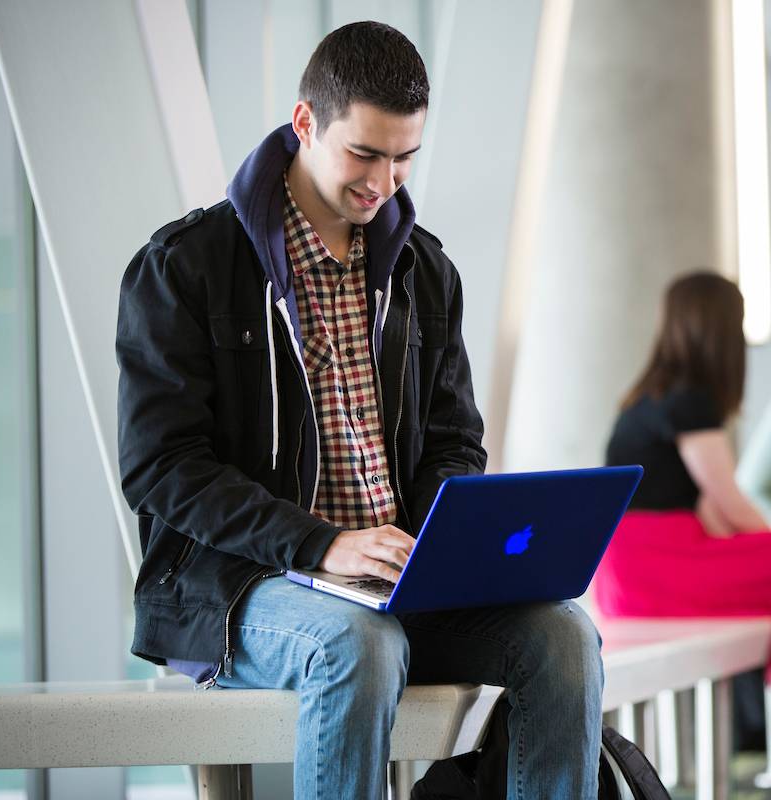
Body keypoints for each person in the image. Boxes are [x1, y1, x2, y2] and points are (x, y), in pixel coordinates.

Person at [117, 21, 603, 798]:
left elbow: (454, 440)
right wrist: (321, 544)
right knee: (360, 644)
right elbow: (161, 469)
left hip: (395, 582)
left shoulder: (423, 272)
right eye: (365, 153)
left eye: (405, 156)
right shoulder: (185, 267)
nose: (385, 183)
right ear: (305, 122)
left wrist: (443, 541)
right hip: (242, 587)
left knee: (564, 636)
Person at [597, 271, 771, 748]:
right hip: (655, 562)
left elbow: (710, 508)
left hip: (629, 571)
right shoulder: (691, 400)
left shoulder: (651, 395)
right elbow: (730, 504)